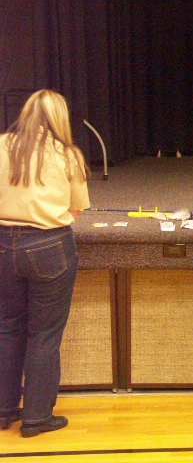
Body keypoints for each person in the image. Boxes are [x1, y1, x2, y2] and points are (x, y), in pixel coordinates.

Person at [0, 89, 91, 437]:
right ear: (59, 117)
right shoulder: (68, 154)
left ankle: (4, 411)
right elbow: (75, 209)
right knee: (44, 334)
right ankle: (36, 418)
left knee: (6, 328)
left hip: (2, 243)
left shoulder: (1, 145)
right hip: (49, 246)